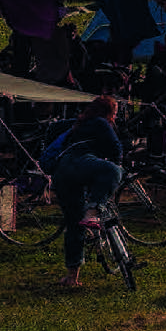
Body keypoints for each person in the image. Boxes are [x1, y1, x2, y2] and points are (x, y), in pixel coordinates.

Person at [48, 96, 125, 289]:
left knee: (75, 225)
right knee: (113, 171)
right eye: (114, 113)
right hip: (78, 163)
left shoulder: (78, 124)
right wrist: (113, 175)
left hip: (61, 172)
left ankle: (71, 277)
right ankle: (94, 211)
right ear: (108, 112)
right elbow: (117, 149)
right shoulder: (100, 122)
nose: (115, 117)